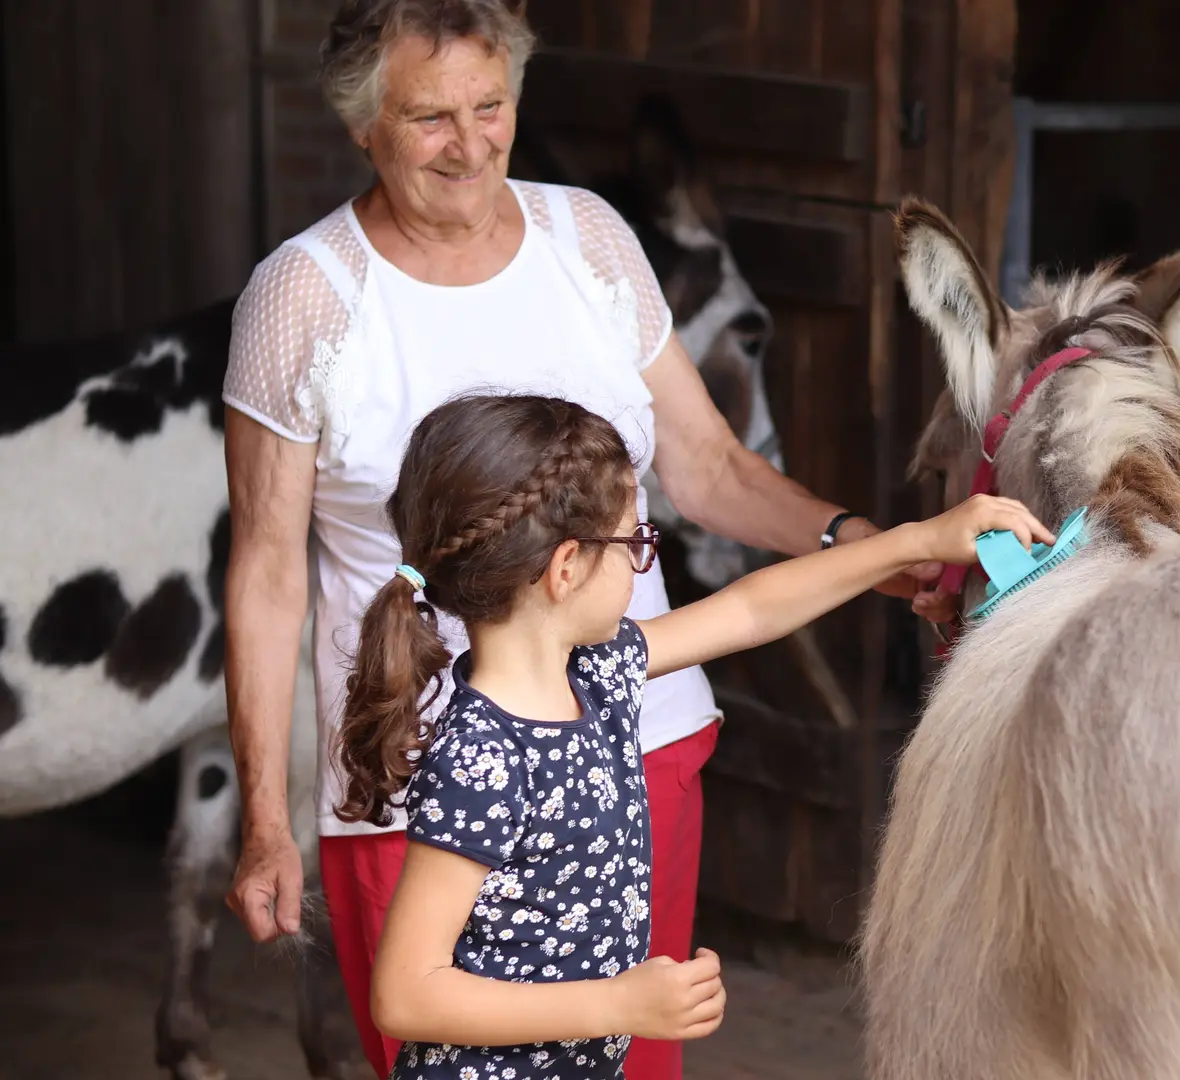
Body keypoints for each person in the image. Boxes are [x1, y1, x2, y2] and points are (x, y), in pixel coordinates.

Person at [217, 2, 936, 1076]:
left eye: (490, 106)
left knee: (631, 1054)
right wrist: (266, 817)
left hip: (630, 748)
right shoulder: (304, 299)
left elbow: (709, 470)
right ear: (362, 125)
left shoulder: (587, 239)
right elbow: (270, 575)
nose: (470, 146)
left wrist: (861, 543)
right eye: (428, 120)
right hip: (413, 776)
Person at [337, 394, 1047, 1080]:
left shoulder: (594, 676)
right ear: (566, 568)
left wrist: (916, 540)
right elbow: (406, 994)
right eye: (635, 542)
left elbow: (747, 611)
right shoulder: (483, 757)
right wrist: (615, 1003)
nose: (645, 558)